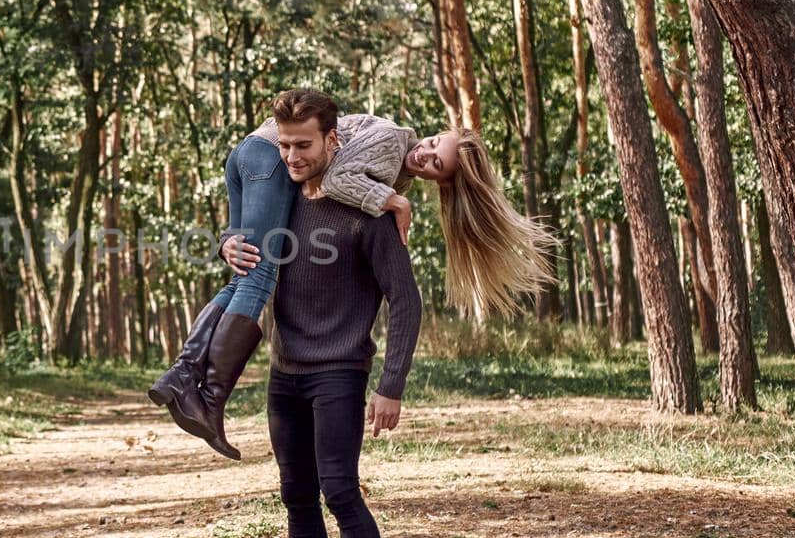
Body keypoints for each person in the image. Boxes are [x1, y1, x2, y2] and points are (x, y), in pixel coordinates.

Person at [147, 88, 553, 459]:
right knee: (258, 274)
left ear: (442, 183)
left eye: (436, 164)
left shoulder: (396, 169)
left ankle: (182, 378)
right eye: (433, 144)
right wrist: (391, 199)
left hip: (250, 154)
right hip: (266, 155)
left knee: (244, 270)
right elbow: (337, 178)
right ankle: (207, 395)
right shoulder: (393, 141)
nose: (425, 155)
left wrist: (226, 241)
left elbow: (316, 196)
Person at [239, 88, 422, 538]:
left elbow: (406, 301)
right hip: (284, 371)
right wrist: (228, 243)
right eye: (285, 144)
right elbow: (240, 230)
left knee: (339, 491)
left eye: (304, 145)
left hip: (340, 371)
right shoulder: (282, 202)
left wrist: (390, 384)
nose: (291, 156)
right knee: (296, 496)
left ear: (332, 140)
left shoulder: (368, 212)